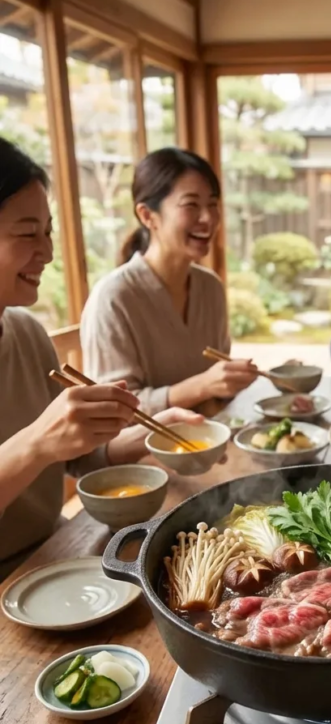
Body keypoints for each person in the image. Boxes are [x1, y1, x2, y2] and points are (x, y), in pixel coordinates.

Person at [0, 139, 202, 582]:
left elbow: (78, 462)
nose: (49, 252)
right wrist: (36, 442)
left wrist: (153, 434)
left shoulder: (26, 332)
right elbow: (42, 448)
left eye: (48, 231)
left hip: (56, 557)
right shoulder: (117, 294)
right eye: (27, 233)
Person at [80, 148, 258, 415]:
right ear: (147, 215)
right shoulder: (114, 297)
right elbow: (113, 410)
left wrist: (230, 380)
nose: (209, 218)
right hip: (142, 454)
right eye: (191, 205)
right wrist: (202, 386)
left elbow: (218, 393)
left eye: (213, 204)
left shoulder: (210, 288)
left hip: (209, 441)